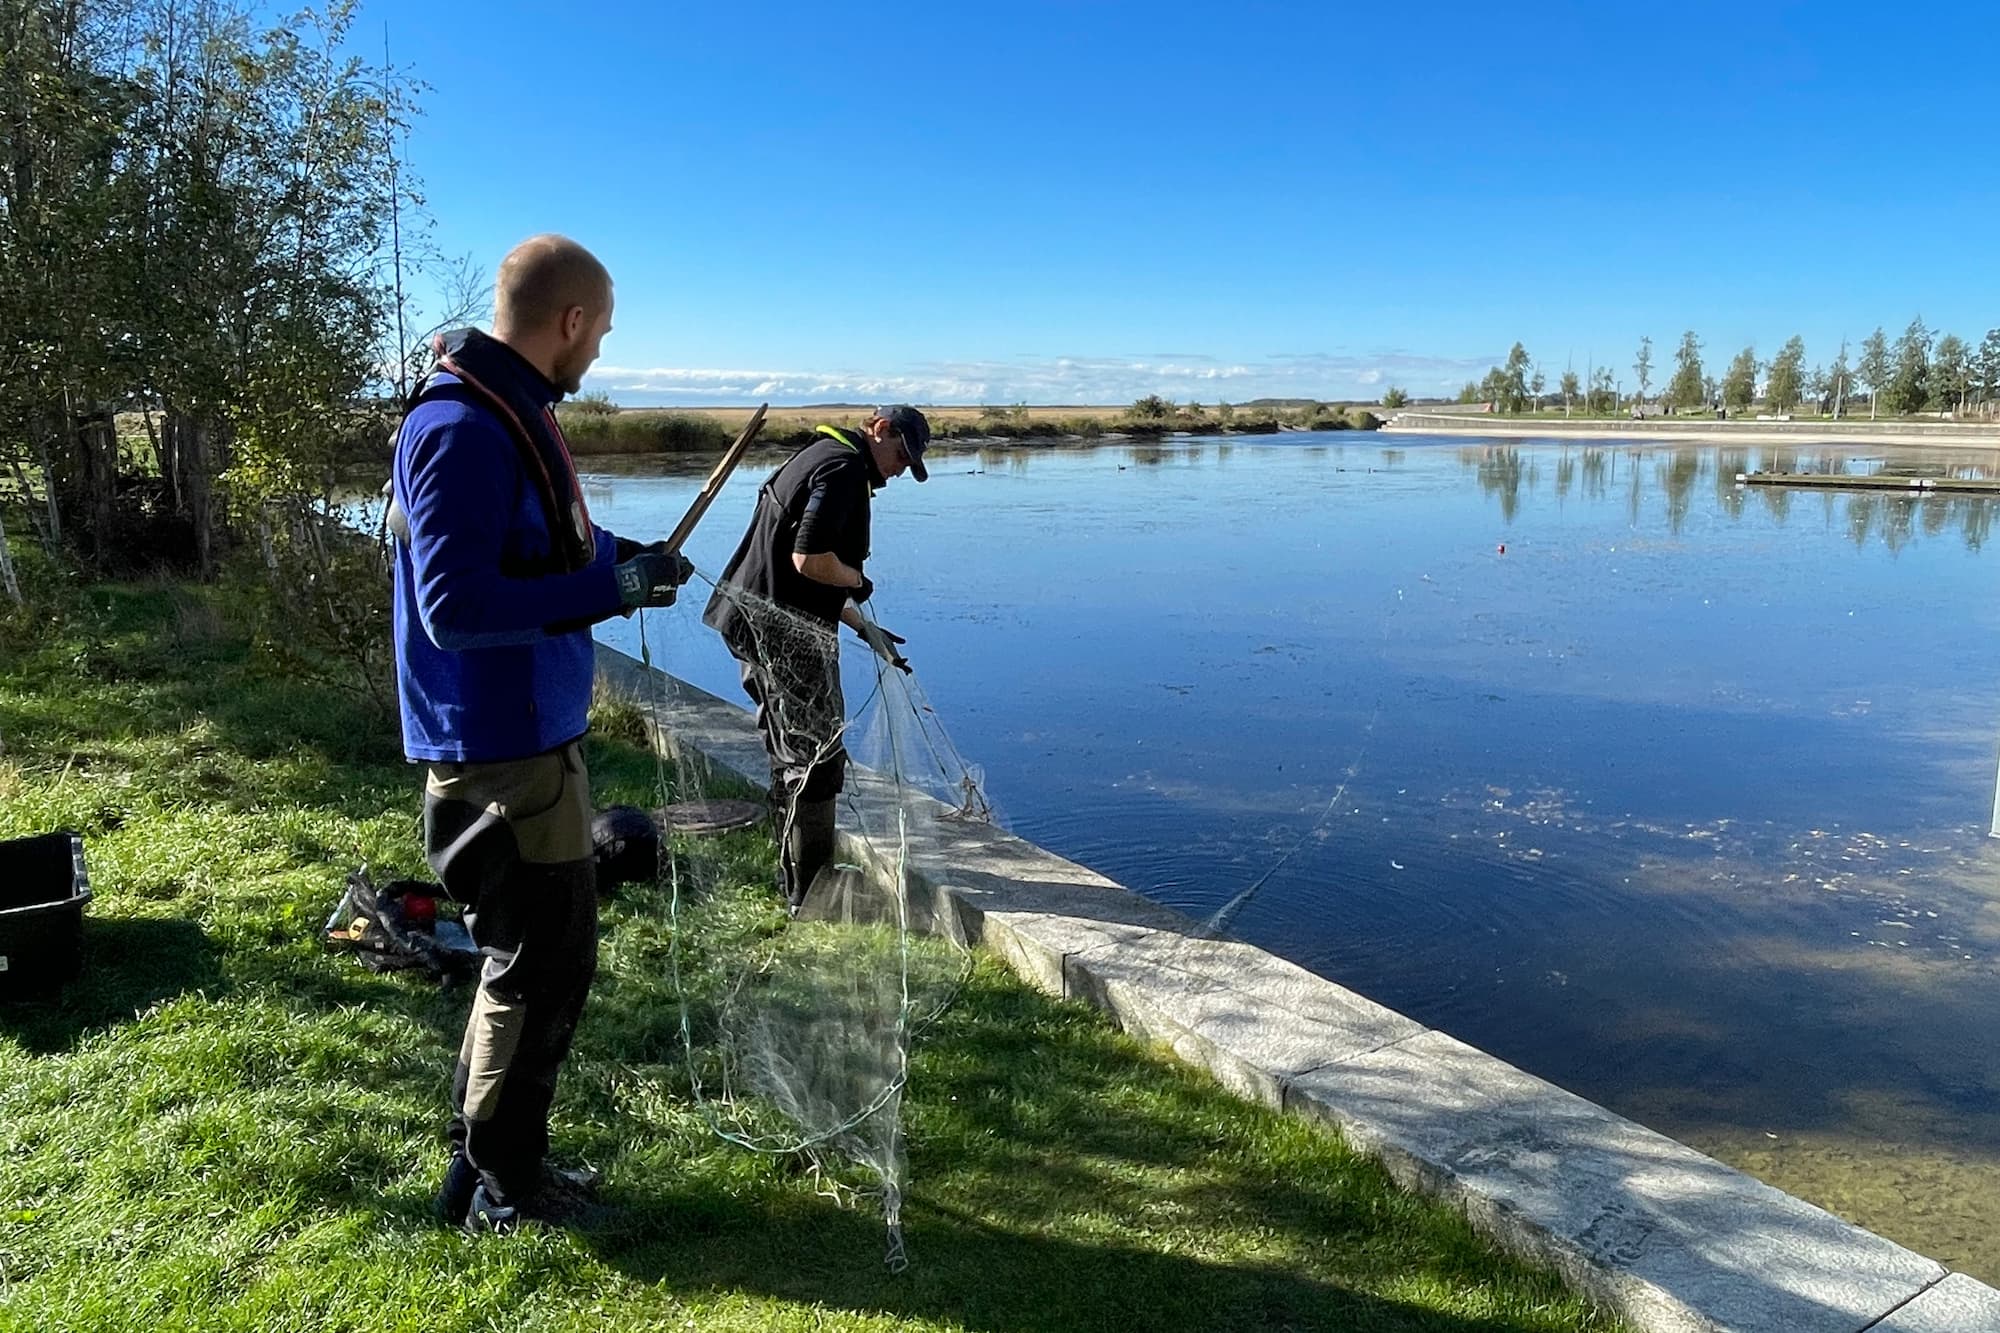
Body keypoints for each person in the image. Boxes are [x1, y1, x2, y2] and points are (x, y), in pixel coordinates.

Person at [389, 234, 690, 1234]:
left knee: (536, 962)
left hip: (529, 740)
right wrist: (611, 590)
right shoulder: (461, 426)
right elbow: (456, 608)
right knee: (538, 967)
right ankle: (508, 1185)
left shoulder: (510, 413)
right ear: (569, 321)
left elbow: (553, 540)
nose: (599, 349)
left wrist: (630, 559)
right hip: (501, 753)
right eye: (600, 331)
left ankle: (485, 1163)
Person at [702, 406, 930, 913]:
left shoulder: (820, 455)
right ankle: (811, 891)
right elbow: (810, 559)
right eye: (900, 455)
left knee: (792, 752)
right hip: (780, 635)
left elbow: (797, 564)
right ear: (880, 429)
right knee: (816, 758)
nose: (899, 470)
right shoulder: (844, 469)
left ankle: (798, 880)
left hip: (757, 621)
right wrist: (858, 580)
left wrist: (863, 626)